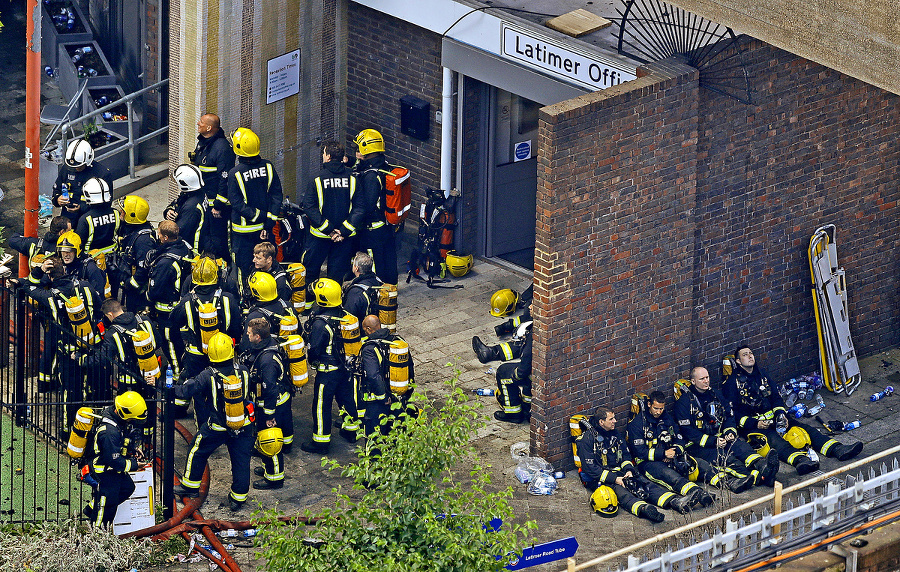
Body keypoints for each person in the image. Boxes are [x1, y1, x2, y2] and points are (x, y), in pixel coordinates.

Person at [723, 344, 863, 475]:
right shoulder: (732, 383)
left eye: (751, 353)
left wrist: (780, 414)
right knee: (776, 442)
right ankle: (801, 461)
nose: (750, 356)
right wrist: (755, 424)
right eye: (745, 355)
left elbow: (776, 397)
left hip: (774, 419)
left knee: (807, 429)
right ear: (739, 362)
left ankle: (837, 449)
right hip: (754, 426)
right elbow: (732, 413)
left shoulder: (762, 375)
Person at [171, 332, 253, 511]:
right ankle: (238, 498)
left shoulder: (207, 375)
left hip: (217, 426)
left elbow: (186, 391)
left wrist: (167, 387)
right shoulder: (244, 371)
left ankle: (191, 487)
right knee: (241, 461)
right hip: (243, 425)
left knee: (197, 449)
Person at [19, 256, 101, 427]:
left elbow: (28, 286)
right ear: (64, 271)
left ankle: (69, 429)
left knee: (70, 391)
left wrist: (38, 270)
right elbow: (99, 307)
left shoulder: (50, 296)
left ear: (50, 277)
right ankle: (89, 425)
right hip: (91, 344)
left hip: (68, 351)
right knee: (89, 388)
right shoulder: (85, 286)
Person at [575, 406, 698, 521]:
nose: (615, 421)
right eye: (611, 419)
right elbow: (590, 468)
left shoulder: (615, 434)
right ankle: (645, 510)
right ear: (601, 422)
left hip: (622, 472)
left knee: (645, 484)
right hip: (604, 479)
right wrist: (615, 479)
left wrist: (629, 470)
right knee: (622, 493)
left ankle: (675, 502)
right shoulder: (587, 440)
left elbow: (625, 454)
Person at [627, 391, 753, 500]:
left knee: (700, 465)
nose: (659, 412)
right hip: (649, 463)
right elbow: (639, 452)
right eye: (656, 408)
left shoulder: (666, 418)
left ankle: (730, 483)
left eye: (661, 408)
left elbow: (680, 437)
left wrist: (675, 451)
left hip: (672, 455)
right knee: (669, 475)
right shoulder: (637, 425)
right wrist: (663, 454)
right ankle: (697, 494)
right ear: (649, 405)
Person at [674, 366, 780, 487]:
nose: (706, 381)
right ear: (693, 381)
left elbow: (729, 414)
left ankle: (762, 465)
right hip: (699, 446)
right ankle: (757, 477)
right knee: (727, 459)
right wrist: (713, 441)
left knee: (741, 447)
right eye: (702, 379)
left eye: (707, 377)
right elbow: (688, 431)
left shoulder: (716, 394)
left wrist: (730, 432)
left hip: (721, 438)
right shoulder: (684, 403)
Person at [169, 255, 242, 422]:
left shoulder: (187, 301)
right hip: (224, 354)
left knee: (198, 391)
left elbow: (173, 328)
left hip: (196, 354)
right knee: (225, 386)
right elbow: (236, 328)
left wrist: (184, 348)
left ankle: (203, 427)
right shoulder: (227, 299)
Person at [300, 278, 360, 454]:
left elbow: (315, 349)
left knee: (321, 406)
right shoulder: (345, 315)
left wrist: (312, 359)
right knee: (346, 400)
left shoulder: (321, 323)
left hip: (327, 373)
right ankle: (351, 431)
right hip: (345, 368)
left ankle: (321, 441)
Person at [218, 127, 283, 284]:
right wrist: (268, 221)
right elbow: (276, 195)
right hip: (265, 229)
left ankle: (246, 299)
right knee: (267, 265)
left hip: (243, 233)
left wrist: (258, 216)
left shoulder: (235, 173)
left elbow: (237, 203)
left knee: (244, 269)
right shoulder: (268, 166)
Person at [301, 140, 361, 293]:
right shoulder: (353, 178)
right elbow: (360, 207)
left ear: (327, 157)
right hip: (344, 238)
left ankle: (308, 306)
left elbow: (309, 206)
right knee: (336, 275)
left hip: (319, 236)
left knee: (311, 272)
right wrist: (343, 230)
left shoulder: (317, 179)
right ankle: (331, 306)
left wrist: (328, 230)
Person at [241, 318, 291, 490]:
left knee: (271, 440)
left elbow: (269, 389)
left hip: (272, 405)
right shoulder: (267, 346)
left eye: (249, 334)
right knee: (263, 437)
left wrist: (269, 415)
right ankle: (267, 468)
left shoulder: (267, 360)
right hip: (270, 402)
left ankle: (275, 478)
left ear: (258, 337)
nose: (247, 336)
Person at [84, 391, 148, 526]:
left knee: (127, 488)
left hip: (112, 469)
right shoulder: (108, 432)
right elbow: (113, 460)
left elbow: (120, 441)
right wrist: (135, 464)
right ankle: (98, 534)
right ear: (125, 414)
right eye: (132, 419)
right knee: (107, 506)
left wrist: (132, 449)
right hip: (104, 472)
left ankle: (92, 508)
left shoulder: (117, 419)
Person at [358, 314, 415, 441]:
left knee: (375, 437)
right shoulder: (398, 340)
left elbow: (373, 376)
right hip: (399, 395)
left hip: (379, 402)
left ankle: (375, 459)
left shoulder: (369, 349)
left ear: (368, 329)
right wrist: (407, 391)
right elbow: (409, 366)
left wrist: (383, 396)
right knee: (397, 434)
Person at [145, 221, 190, 381]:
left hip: (167, 312)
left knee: (170, 344)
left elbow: (155, 290)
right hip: (182, 306)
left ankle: (177, 377)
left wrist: (147, 298)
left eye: (159, 234)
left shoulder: (165, 262)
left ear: (164, 237)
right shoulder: (185, 247)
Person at [353, 128, 398, 286]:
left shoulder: (371, 177)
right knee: (389, 259)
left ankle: (378, 292)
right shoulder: (383, 165)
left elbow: (368, 205)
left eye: (358, 149)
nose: (356, 152)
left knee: (375, 264)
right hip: (385, 226)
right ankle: (391, 289)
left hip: (373, 231)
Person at [189, 113, 235, 259]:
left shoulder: (222, 148)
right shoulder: (203, 142)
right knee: (204, 233)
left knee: (216, 237)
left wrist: (218, 205)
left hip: (214, 206)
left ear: (209, 127)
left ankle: (220, 263)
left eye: (201, 122)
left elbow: (224, 179)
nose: (198, 123)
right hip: (203, 200)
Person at [51, 138, 113, 227]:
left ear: (88, 159)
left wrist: (82, 208)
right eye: (73, 166)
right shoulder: (67, 168)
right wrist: (57, 200)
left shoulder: (102, 174)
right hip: (68, 221)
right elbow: (56, 190)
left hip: (90, 222)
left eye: (79, 166)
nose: (76, 168)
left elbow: (106, 205)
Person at [110, 195, 156, 312]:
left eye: (123, 212)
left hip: (137, 293)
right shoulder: (129, 228)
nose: (120, 213)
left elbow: (144, 269)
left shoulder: (143, 241)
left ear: (132, 216)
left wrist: (130, 284)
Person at [238, 271, 296, 352]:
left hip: (265, 355)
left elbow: (246, 345)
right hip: (287, 352)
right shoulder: (287, 306)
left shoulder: (254, 316)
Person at [164, 164, 207, 254]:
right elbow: (176, 203)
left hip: (191, 249)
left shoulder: (191, 207)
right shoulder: (197, 193)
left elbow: (177, 231)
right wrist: (169, 211)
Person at [75, 177, 119, 257]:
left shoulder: (85, 219)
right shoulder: (116, 213)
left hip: (92, 260)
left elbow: (79, 243)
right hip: (114, 257)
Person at [343, 251, 383, 323]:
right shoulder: (378, 280)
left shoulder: (355, 292)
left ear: (357, 268)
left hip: (363, 329)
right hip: (376, 323)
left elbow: (348, 317)